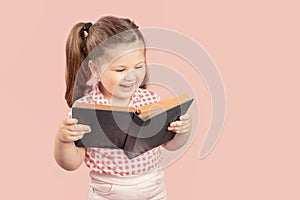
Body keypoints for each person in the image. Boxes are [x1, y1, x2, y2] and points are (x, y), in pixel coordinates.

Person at [54, 16, 192, 200]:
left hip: (153, 188)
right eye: (120, 70)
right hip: (107, 193)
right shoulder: (85, 109)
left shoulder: (150, 100)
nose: (131, 77)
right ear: (96, 70)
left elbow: (170, 145)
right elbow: (72, 162)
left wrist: (182, 131)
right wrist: (63, 140)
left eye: (139, 66)